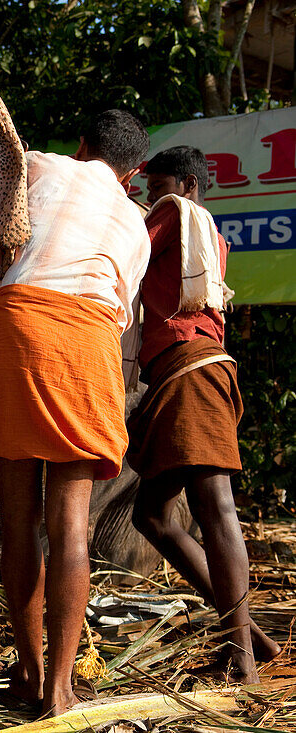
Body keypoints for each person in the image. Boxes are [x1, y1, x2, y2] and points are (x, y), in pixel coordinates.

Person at [0, 110, 152, 717]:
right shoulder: (137, 227)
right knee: (71, 526)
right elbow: (121, 317)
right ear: (134, 173)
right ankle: (62, 687)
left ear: (82, 145)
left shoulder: (39, 165)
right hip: (88, 344)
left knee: (18, 523)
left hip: (15, 326)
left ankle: (30, 670)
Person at [128, 145, 281, 682]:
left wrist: (114, 206)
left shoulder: (176, 214)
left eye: (158, 185)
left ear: (187, 184)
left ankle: (241, 658)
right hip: (189, 371)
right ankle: (252, 638)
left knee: (214, 505)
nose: (151, 197)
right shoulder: (209, 235)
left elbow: (129, 251)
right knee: (151, 515)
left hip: (189, 368)